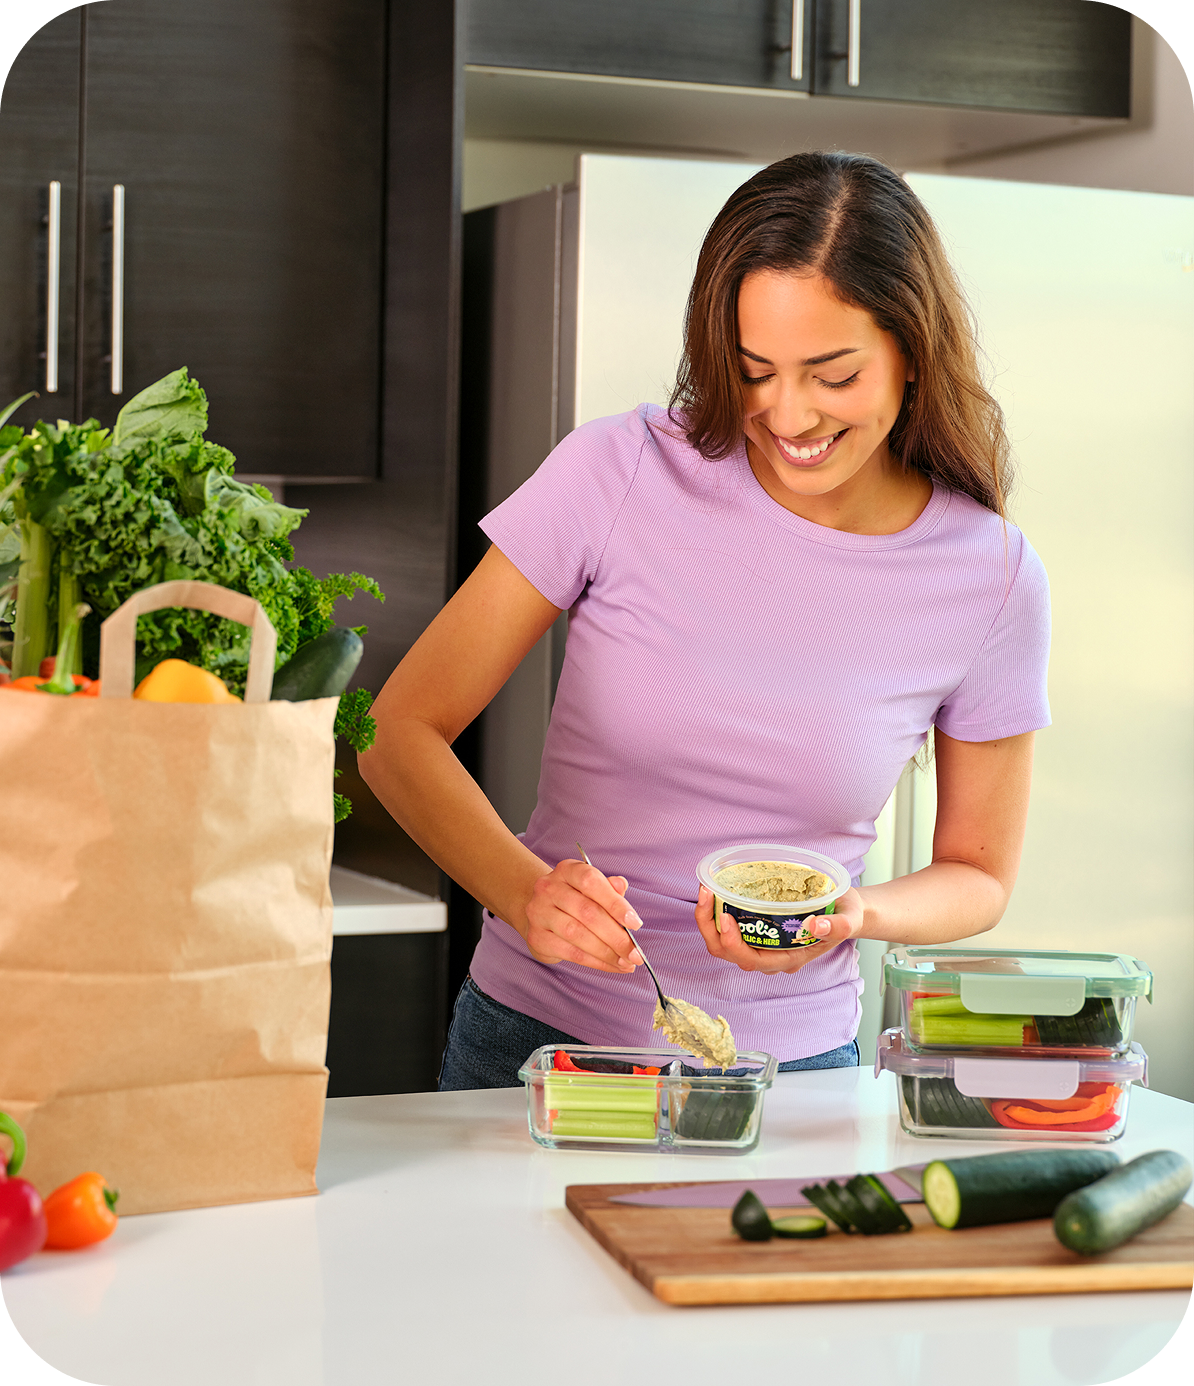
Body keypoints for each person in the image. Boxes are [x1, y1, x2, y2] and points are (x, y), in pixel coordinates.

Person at [359, 151, 1050, 1090]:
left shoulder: (991, 575)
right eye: (753, 370)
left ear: (913, 355)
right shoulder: (621, 470)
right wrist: (524, 894)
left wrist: (858, 916)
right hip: (541, 1043)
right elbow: (396, 732)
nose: (788, 414)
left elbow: (979, 874)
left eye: (833, 375)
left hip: (798, 1073)